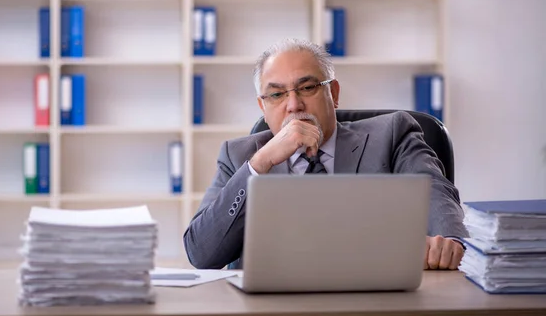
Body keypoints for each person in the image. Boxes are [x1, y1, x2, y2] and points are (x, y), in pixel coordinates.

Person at [183, 38, 468, 271]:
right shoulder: (240, 156)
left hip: (372, 305)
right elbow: (201, 253)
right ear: (263, 107)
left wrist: (450, 241)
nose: (294, 105)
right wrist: (260, 164)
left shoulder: (392, 133)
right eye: (277, 95)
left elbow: (434, 190)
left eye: (307, 88)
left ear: (333, 92)